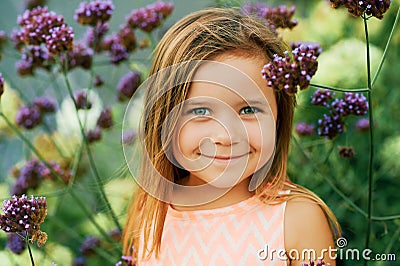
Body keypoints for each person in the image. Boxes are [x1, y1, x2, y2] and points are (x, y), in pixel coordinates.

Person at [122, 7, 340, 266]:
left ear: (278, 116)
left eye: (248, 110)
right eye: (200, 111)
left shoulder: (296, 220)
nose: (226, 136)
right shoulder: (150, 215)